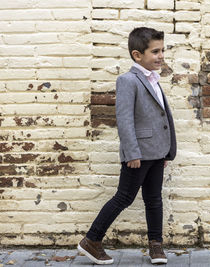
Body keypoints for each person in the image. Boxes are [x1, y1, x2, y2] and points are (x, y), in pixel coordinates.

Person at [77, 27, 177, 265]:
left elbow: (160, 117)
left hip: (156, 152)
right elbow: (124, 119)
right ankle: (91, 240)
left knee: (154, 199)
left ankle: (156, 246)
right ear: (137, 55)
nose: (161, 55)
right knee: (124, 197)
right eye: (155, 51)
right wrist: (132, 152)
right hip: (138, 154)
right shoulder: (127, 80)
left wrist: (167, 150)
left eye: (162, 50)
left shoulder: (153, 79)